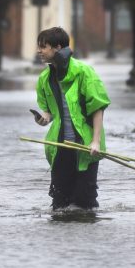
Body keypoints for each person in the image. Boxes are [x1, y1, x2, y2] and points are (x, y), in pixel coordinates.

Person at [34, 26, 110, 210]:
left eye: (43, 46)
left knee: (85, 203)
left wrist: (95, 142)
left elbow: (97, 107)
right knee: (60, 204)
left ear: (58, 48)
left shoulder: (84, 72)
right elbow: (50, 112)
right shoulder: (45, 78)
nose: (39, 51)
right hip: (60, 146)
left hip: (85, 146)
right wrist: (43, 119)